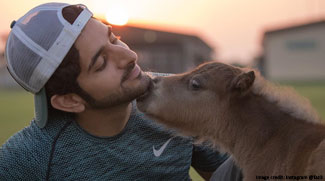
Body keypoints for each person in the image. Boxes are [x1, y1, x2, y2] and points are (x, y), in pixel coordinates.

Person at [0, 2, 242, 180]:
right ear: (70, 101)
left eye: (114, 39)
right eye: (101, 63)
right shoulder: (32, 157)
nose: (129, 56)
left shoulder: (181, 98)